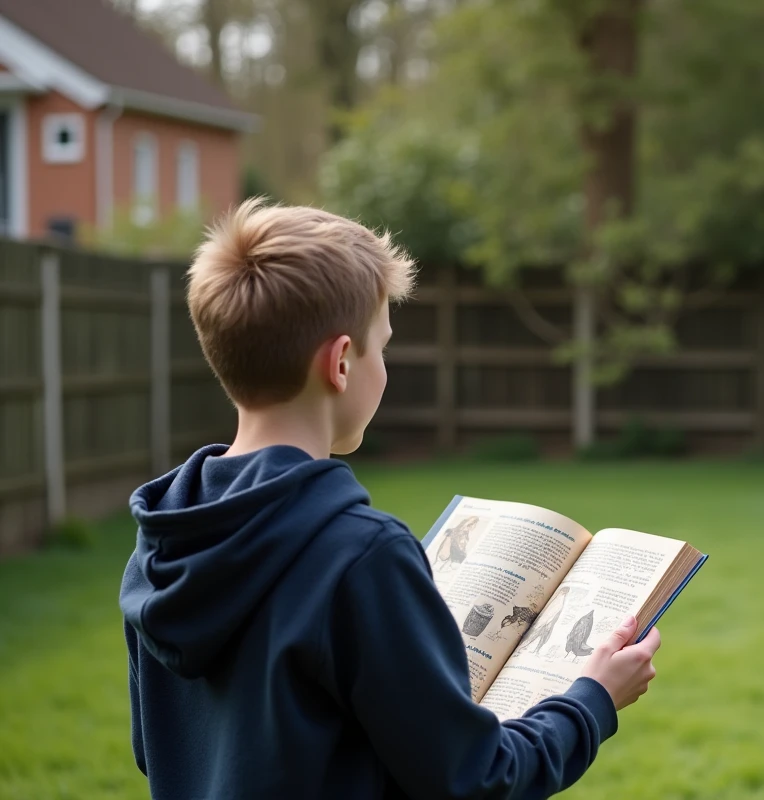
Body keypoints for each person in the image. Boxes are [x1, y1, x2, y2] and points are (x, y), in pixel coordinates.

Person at [118, 198, 662, 799]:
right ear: (342, 362)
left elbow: (159, 751)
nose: (385, 367)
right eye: (383, 346)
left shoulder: (164, 538)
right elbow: (479, 779)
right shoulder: (362, 558)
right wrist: (593, 700)